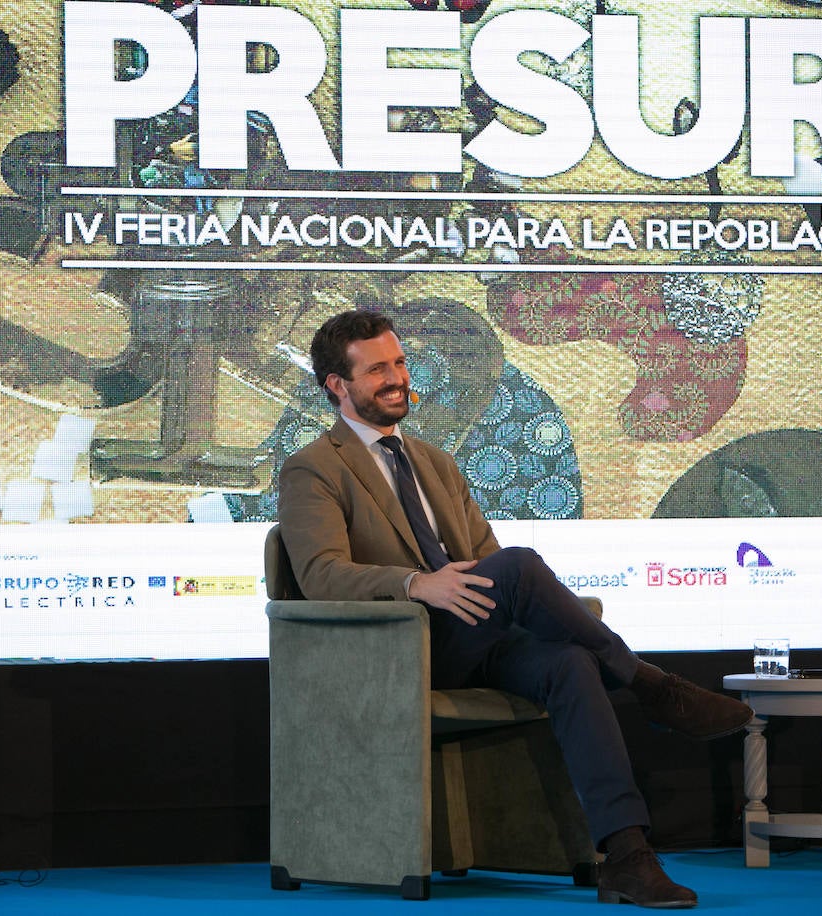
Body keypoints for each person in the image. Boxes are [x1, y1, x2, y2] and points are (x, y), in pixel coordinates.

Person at [277, 309, 754, 909]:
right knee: (524, 565)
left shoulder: (435, 461)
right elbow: (321, 575)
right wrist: (415, 585)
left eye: (399, 362)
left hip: (473, 635)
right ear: (337, 386)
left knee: (570, 665)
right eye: (378, 369)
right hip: (396, 649)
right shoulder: (313, 468)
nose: (397, 376)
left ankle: (627, 856)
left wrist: (478, 593)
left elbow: (485, 563)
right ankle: (649, 684)